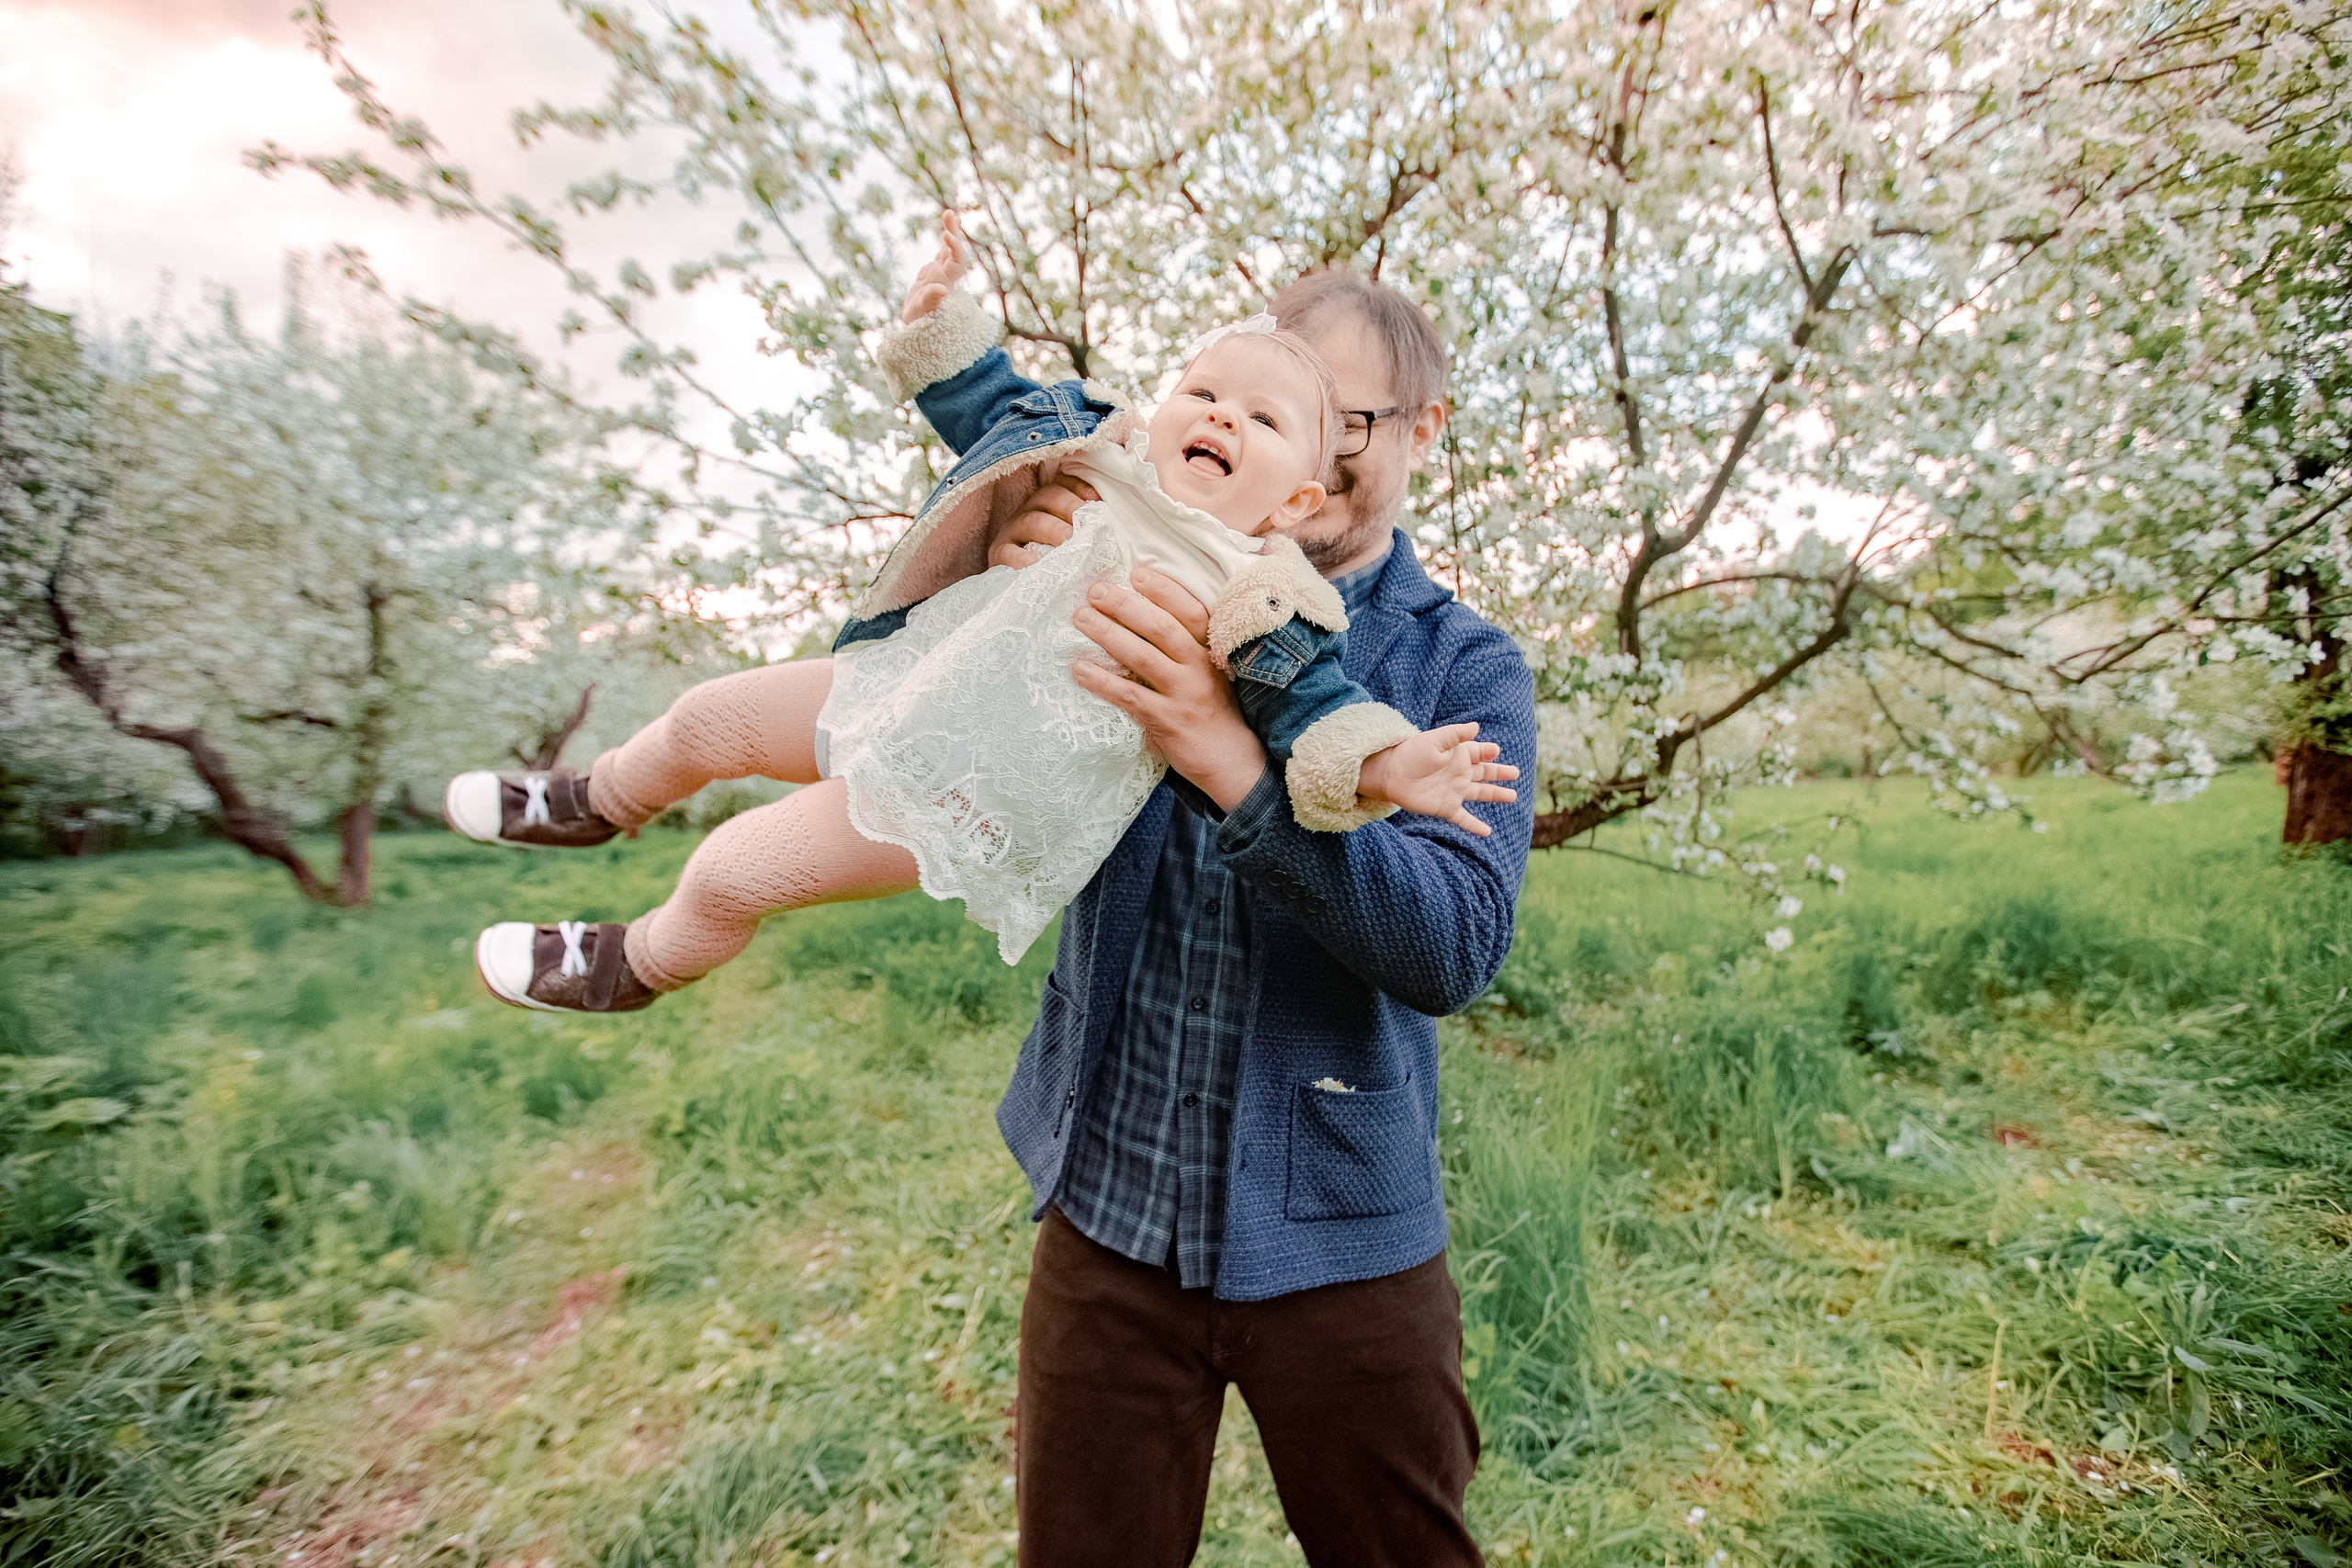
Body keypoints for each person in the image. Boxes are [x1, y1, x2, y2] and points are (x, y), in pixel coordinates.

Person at [441, 217, 1515, 1013]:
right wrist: (943, 340)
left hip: (977, 782)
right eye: (1211, 388)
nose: (1228, 413)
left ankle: (627, 964)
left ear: (1306, 493)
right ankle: (587, 798)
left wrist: (1383, 770)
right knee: (703, 720)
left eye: (1305, 415)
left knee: (733, 868)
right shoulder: (1103, 457)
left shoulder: (1264, 597)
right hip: (919, 677)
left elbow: (1318, 710)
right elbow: (992, 408)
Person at [986, 269, 1536, 1567]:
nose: (1326, 451)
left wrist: (1226, 754)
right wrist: (1006, 574)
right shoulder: (1120, 567)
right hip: (1108, 1218)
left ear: (1421, 430)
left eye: (1352, 422)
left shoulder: (1464, 665)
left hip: (1344, 1236)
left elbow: (1451, 947)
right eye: (1288, 404)